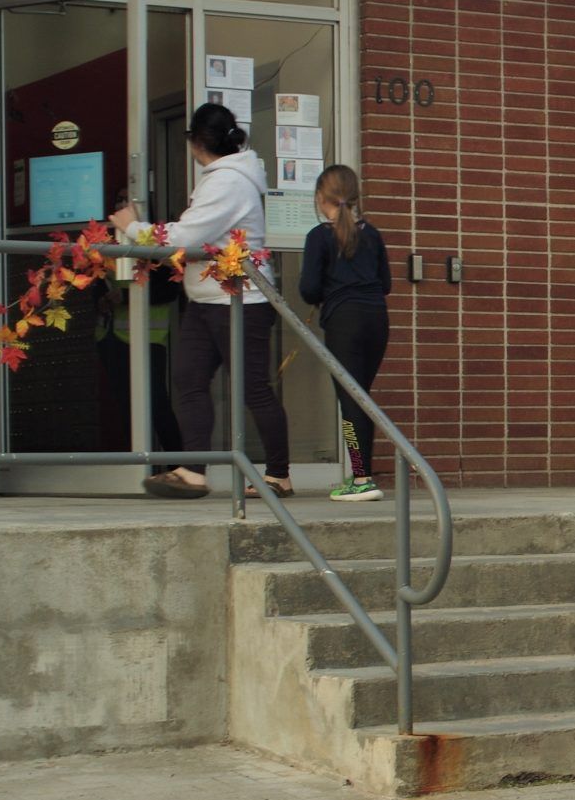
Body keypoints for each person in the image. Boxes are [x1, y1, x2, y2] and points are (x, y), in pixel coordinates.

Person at [113, 102, 287, 499]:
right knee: (189, 379)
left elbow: (187, 238)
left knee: (252, 388)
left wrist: (133, 227)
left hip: (241, 300)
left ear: (195, 142)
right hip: (208, 298)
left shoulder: (229, 181)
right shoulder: (220, 178)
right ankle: (193, 472)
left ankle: (279, 474)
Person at [299, 164, 392, 502]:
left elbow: (308, 289)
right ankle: (362, 473)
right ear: (355, 198)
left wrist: (328, 288)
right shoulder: (373, 234)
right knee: (361, 397)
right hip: (377, 320)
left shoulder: (318, 237)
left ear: (321, 198)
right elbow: (387, 284)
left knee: (350, 401)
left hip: (344, 322)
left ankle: (361, 477)